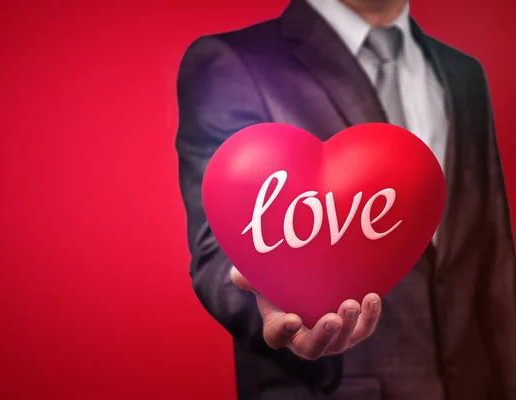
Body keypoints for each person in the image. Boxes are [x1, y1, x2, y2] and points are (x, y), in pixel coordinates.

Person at [174, 0, 516, 398]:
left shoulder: (464, 74)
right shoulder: (232, 61)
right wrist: (278, 311)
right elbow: (218, 249)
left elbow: (492, 252)